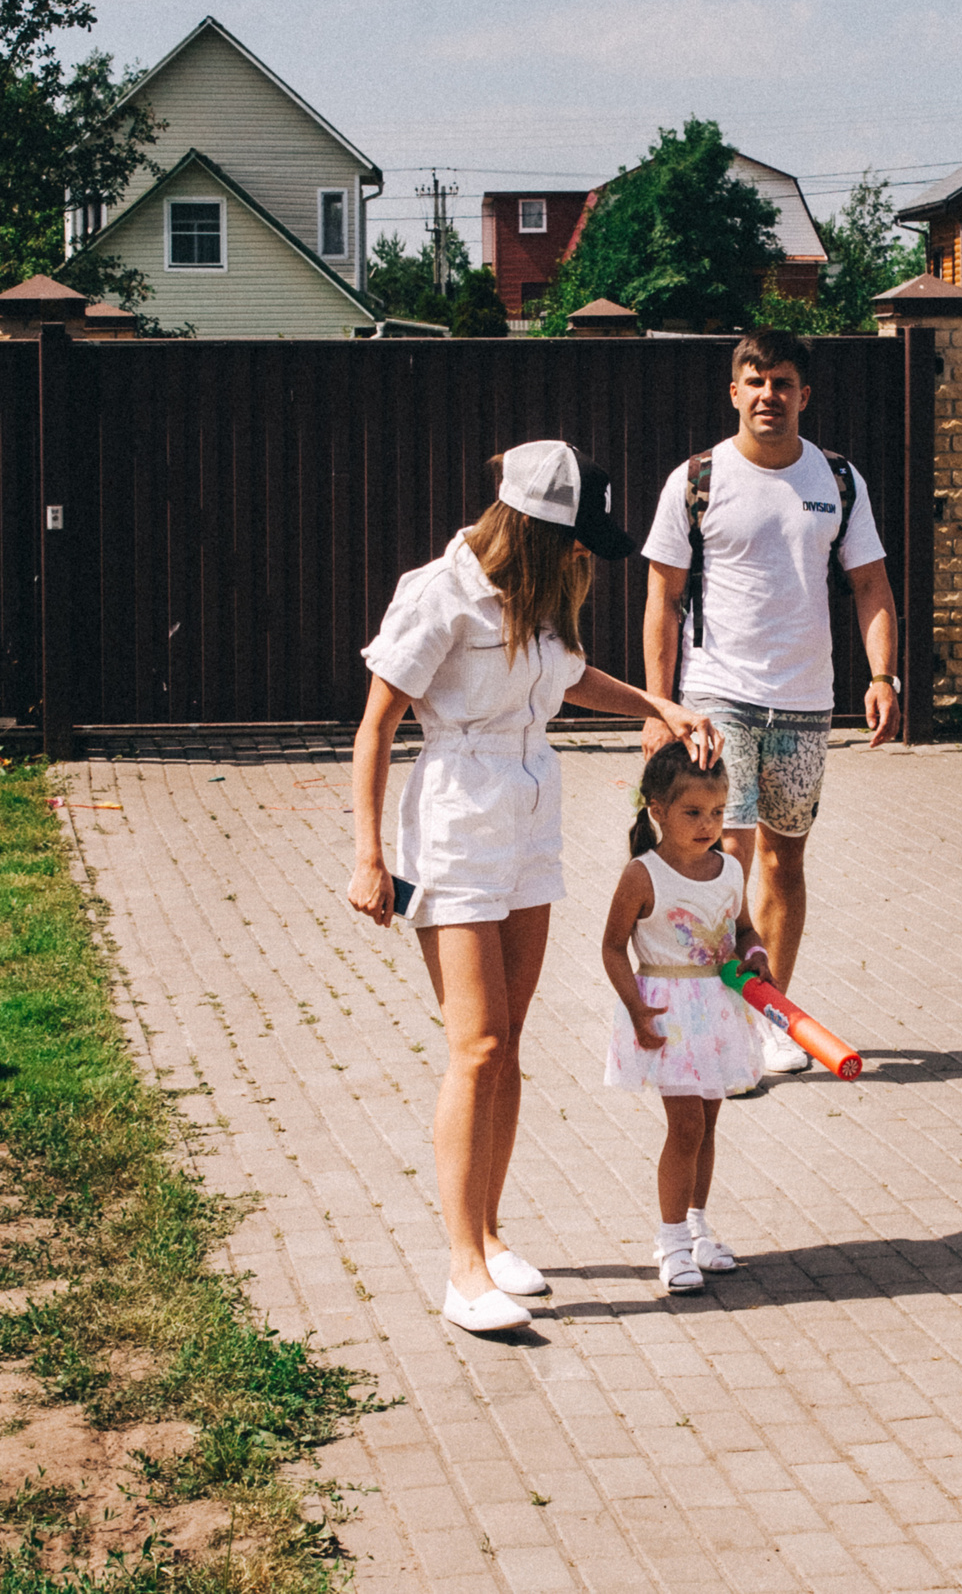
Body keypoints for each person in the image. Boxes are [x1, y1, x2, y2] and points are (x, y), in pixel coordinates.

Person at [347, 440, 723, 1336]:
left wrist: (660, 707)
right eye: (579, 541)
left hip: (529, 812)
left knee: (509, 1040)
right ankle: (461, 1267)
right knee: (475, 1045)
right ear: (536, 529)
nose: (587, 557)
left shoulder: (541, 599)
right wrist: (369, 854)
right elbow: (375, 726)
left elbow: (571, 679)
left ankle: (490, 1229)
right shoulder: (438, 594)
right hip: (455, 822)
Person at [640, 328, 900, 1078]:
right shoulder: (697, 478)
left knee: (785, 857)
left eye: (782, 382)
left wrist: (883, 676)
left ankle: (770, 1014)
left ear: (803, 395)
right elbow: (663, 597)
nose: (768, 395)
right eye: (754, 381)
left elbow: (871, 585)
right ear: (734, 392)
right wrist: (660, 705)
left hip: (806, 702)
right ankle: (720, 1019)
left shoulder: (837, 479)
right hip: (720, 697)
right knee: (725, 855)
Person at [600, 743, 772, 1292]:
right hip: (669, 1013)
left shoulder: (730, 868)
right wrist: (635, 1008)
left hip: (718, 1011)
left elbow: (742, 929)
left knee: (710, 1124)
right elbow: (611, 947)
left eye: (718, 813)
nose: (708, 825)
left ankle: (698, 1227)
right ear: (658, 811)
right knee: (687, 1126)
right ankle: (671, 1240)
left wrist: (756, 953)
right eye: (693, 813)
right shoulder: (642, 874)